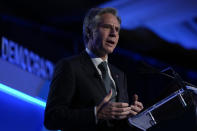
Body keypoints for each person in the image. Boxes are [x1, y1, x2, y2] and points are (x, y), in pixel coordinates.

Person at [44, 7, 143, 131]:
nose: (114, 33)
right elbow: (52, 118)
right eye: (107, 27)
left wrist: (130, 117)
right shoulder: (70, 66)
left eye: (117, 29)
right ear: (89, 31)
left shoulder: (119, 75)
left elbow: (115, 123)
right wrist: (96, 114)